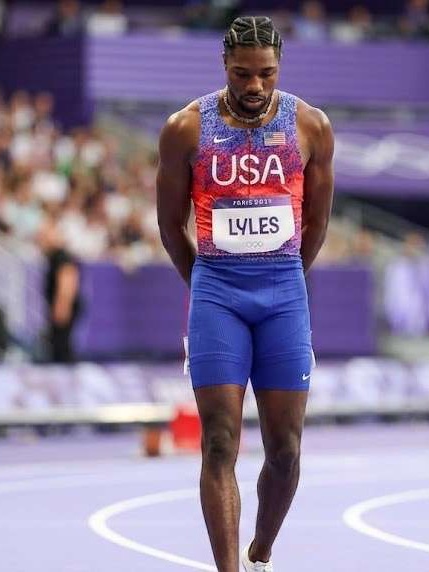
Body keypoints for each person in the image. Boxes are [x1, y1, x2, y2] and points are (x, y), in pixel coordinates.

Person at [156, 16, 334, 572]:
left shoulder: (311, 127)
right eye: (242, 74)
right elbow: (170, 225)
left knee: (284, 451)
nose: (254, 86)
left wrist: (287, 279)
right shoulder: (186, 128)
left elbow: (317, 225)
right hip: (217, 292)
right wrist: (206, 285)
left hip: (284, 290)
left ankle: (261, 551)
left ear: (279, 69)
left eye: (266, 74)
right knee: (219, 443)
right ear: (224, 66)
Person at [39, 221, 83, 363]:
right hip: (61, 306)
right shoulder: (53, 258)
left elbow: (67, 283)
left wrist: (62, 307)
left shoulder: (61, 257)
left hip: (63, 307)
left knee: (61, 346)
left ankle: (66, 377)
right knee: (58, 344)